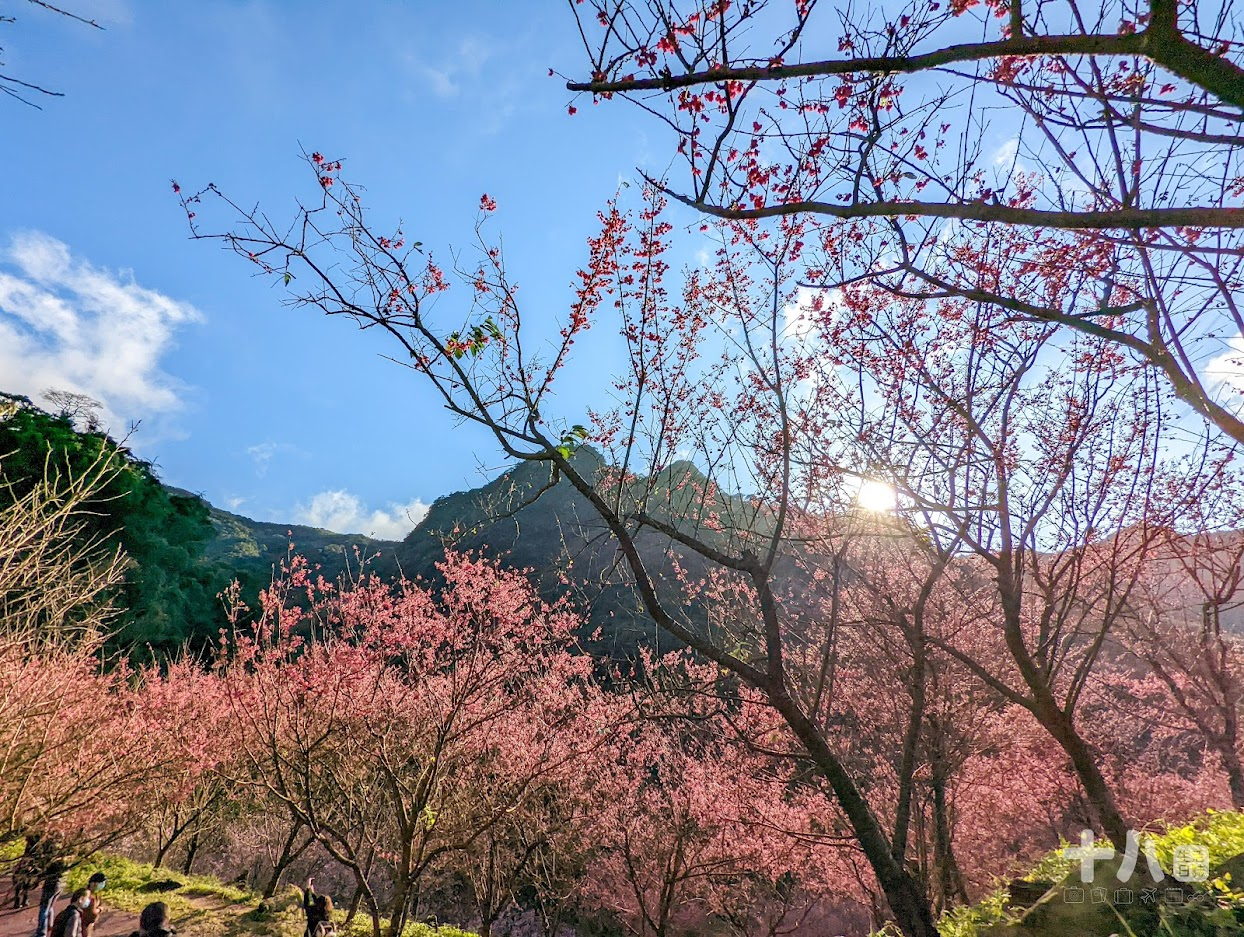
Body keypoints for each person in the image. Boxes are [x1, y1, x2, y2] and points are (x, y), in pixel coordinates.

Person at [34, 847, 68, 937]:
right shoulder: (64, 861)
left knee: (44, 908)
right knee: (50, 906)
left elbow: (44, 873)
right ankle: (50, 925)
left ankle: (41, 933)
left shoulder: (52, 862)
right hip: (60, 885)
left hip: (50, 885)